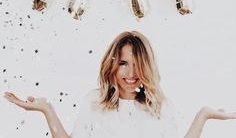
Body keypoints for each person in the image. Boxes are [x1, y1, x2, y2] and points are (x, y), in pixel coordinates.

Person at [4, 31, 236, 138]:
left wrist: (203, 116)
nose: (131, 73)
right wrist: (47, 110)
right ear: (112, 65)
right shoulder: (94, 102)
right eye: (124, 63)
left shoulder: (160, 106)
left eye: (138, 64)